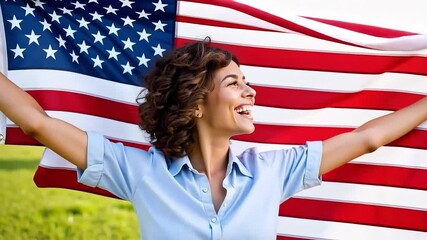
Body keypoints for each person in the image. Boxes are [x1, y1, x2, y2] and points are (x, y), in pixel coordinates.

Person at [0, 38, 427, 239]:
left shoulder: (273, 170)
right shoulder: (138, 170)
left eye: (247, 83)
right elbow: (37, 123)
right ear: (197, 103)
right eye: (235, 83)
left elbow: (368, 137)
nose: (251, 92)